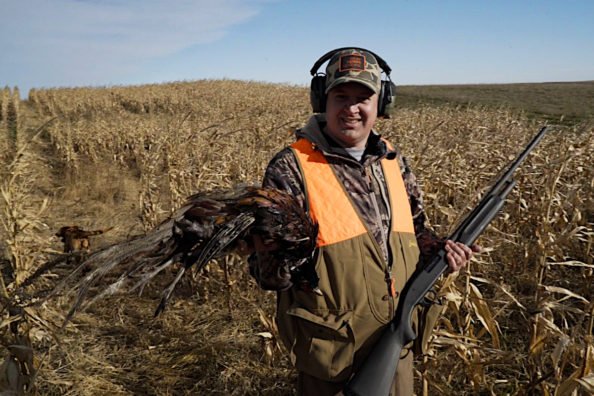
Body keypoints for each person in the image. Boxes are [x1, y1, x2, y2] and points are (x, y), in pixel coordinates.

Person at [250, 47, 479, 395]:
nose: (351, 109)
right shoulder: (290, 168)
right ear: (321, 100)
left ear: (381, 104)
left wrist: (443, 252)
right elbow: (268, 274)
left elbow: (416, 231)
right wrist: (278, 254)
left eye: (363, 98)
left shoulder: (392, 161)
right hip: (332, 354)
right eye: (341, 96)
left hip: (396, 345)